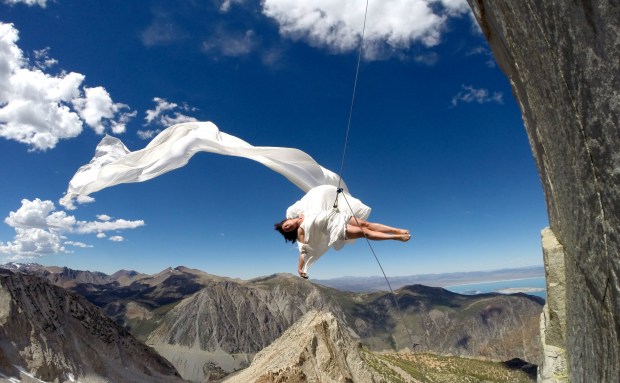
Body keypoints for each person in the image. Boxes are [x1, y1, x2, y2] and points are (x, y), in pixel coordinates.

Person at [275, 208, 410, 279]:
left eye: (286, 225)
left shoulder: (302, 212)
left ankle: (397, 229)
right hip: (334, 229)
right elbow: (303, 250)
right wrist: (300, 268)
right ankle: (395, 237)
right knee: (364, 232)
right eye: (287, 229)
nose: (288, 227)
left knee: (366, 224)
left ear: (287, 220)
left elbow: (316, 196)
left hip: (337, 216)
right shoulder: (300, 231)